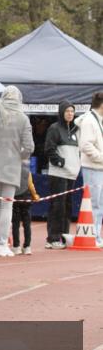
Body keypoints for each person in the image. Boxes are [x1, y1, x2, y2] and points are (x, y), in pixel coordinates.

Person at [0, 85, 34, 257]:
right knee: (6, 206)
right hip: (11, 167)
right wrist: (19, 155)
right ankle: (2, 243)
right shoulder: (22, 118)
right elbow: (29, 147)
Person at [44, 101, 80, 249]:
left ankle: (64, 236)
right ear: (61, 112)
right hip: (58, 173)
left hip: (72, 174)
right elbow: (49, 149)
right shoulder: (54, 128)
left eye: (72, 111)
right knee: (57, 205)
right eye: (67, 111)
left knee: (67, 205)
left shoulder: (76, 130)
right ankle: (52, 238)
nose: (70, 113)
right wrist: (60, 162)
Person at [74, 91, 103, 248]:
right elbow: (85, 145)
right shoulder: (89, 121)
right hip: (93, 167)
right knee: (94, 203)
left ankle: (97, 234)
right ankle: (94, 236)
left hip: (99, 167)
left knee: (100, 204)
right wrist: (100, 157)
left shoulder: (98, 120)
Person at [11, 170, 40, 255]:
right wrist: (34, 195)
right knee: (27, 224)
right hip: (26, 199)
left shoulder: (11, 170)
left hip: (16, 199)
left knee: (15, 224)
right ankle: (27, 246)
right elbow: (30, 184)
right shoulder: (27, 171)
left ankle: (16, 246)